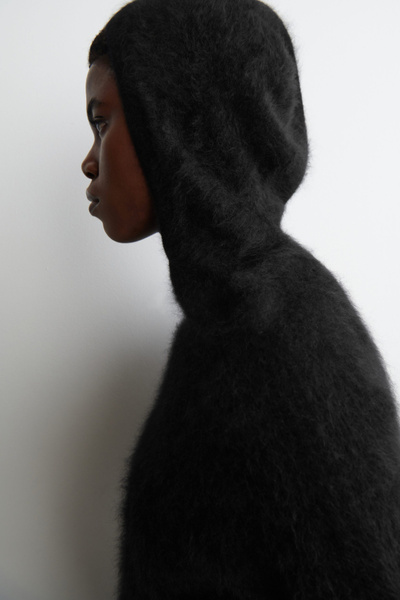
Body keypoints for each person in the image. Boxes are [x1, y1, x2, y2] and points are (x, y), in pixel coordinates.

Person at [81, 0, 400, 597]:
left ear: (178, 120)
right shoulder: (227, 321)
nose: (88, 160)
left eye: (103, 122)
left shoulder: (284, 341)